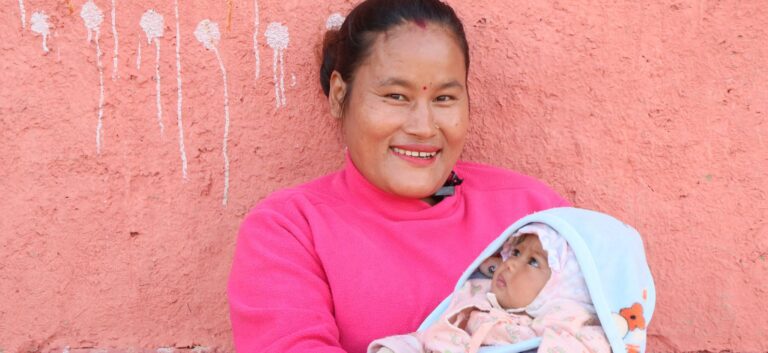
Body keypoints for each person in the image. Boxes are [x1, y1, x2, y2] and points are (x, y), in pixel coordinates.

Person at [227, 1, 569, 352]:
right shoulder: (292, 230)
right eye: (395, 96)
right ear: (339, 95)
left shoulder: (533, 216)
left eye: (445, 97)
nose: (423, 127)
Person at [367, 223, 611, 353]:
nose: (512, 263)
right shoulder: (477, 298)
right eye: (515, 252)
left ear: (561, 286)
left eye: (533, 261)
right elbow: (432, 334)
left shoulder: (566, 322)